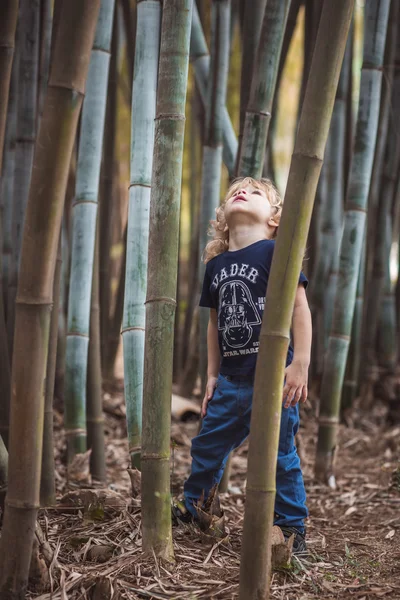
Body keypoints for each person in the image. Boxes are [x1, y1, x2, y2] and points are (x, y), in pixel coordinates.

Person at [174, 176, 311, 553]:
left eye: (255, 192)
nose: (242, 191)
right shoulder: (216, 265)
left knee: (280, 457)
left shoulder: (275, 251)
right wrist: (212, 375)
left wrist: (300, 362)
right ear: (223, 217)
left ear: (274, 218)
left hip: (273, 379)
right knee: (205, 447)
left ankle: (291, 527)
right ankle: (195, 507)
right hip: (231, 381)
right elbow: (214, 324)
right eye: (236, 189)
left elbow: (299, 307)